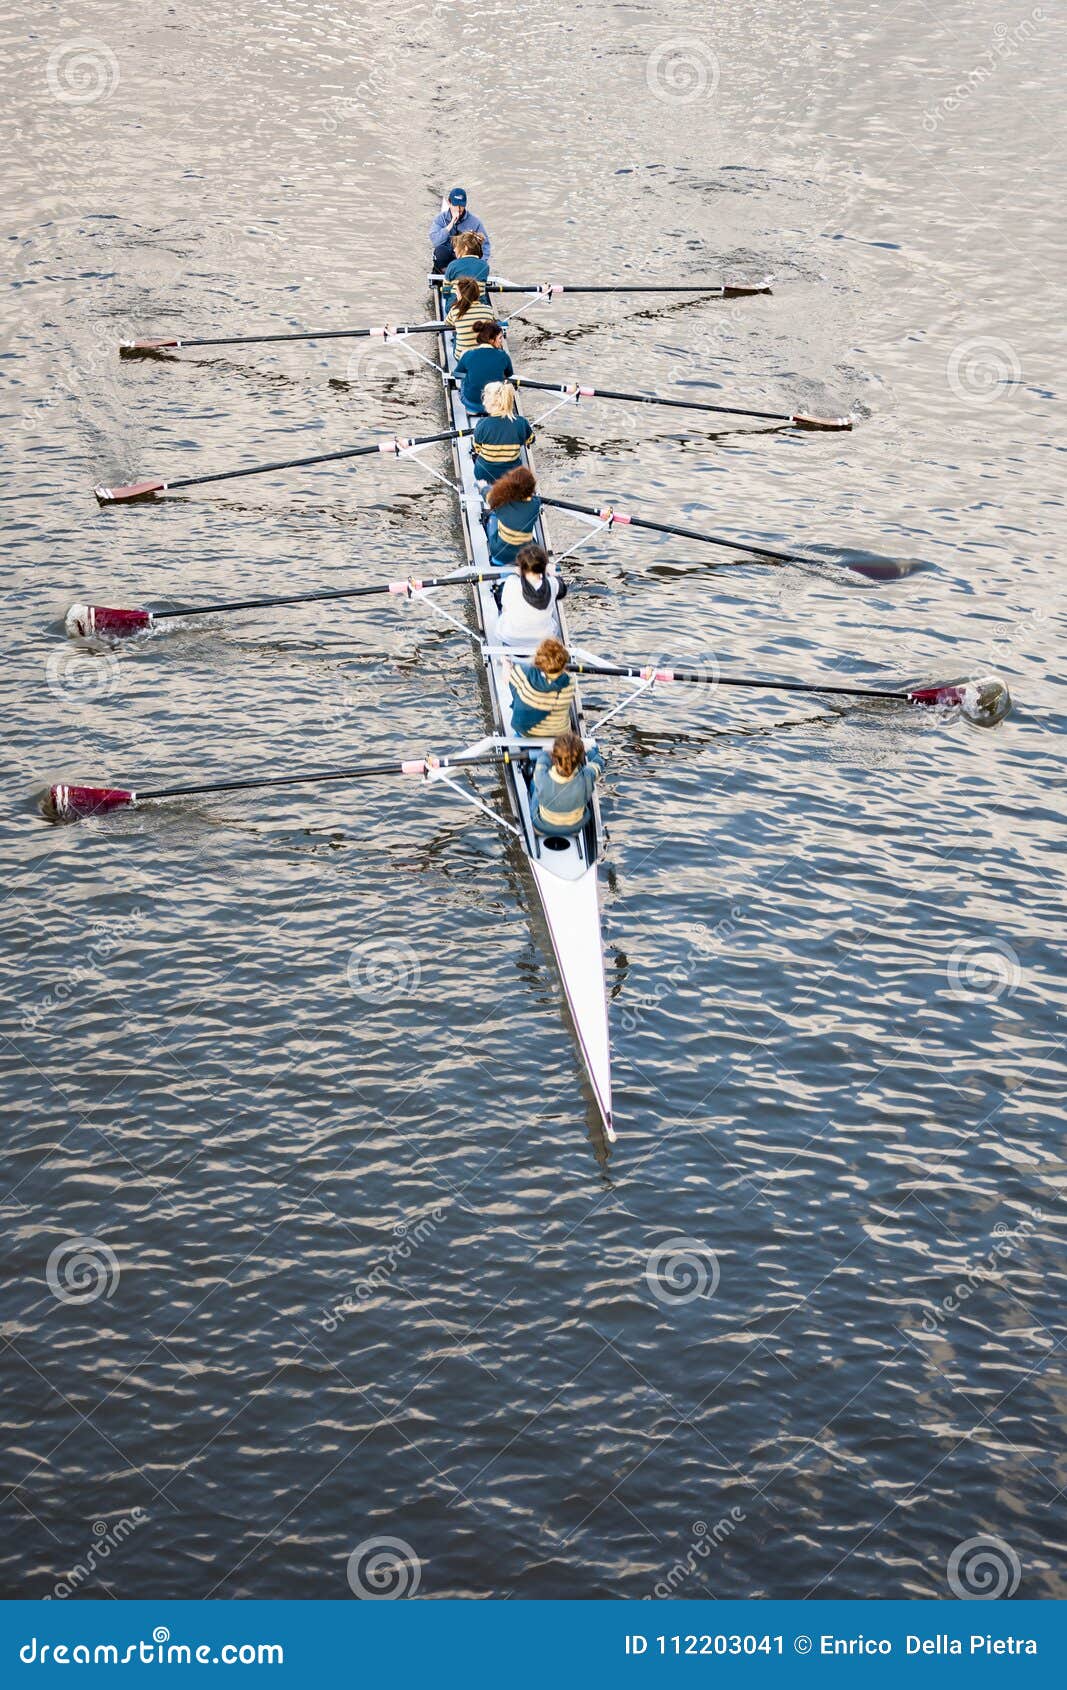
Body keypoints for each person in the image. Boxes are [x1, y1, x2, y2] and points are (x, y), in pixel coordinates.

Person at [530, 732, 604, 838]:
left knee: (534, 783)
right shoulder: (588, 775)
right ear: (579, 760)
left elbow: (542, 759)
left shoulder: (541, 775)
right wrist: (591, 751)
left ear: (554, 757)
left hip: (541, 827)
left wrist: (548, 751)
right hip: (575, 829)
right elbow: (599, 763)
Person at [495, 544, 566, 648]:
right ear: (544, 567)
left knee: (502, 603)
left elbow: (505, 608)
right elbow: (563, 590)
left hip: (511, 637)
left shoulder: (512, 582)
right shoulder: (552, 584)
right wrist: (552, 573)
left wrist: (517, 574)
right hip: (543, 639)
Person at [508, 637, 576, 739]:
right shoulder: (569, 682)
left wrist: (507, 665)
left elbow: (514, 692)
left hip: (527, 733)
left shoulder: (521, 671)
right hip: (559, 734)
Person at [473, 382, 535, 484]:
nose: (483, 403)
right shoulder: (521, 422)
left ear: (493, 403)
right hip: (511, 477)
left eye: (485, 400)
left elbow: (477, 448)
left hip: (484, 475)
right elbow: (530, 440)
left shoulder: (482, 424)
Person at [453, 321, 513, 416]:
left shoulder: (468, 354)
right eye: (500, 338)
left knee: (465, 377)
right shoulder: (503, 356)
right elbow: (509, 374)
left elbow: (457, 375)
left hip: (472, 404)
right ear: (491, 339)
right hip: (496, 403)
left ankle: (471, 408)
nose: (502, 341)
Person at [486, 465, 542, 565]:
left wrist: (483, 487)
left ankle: (496, 563)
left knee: (493, 516)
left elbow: (487, 495)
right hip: (525, 555)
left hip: (500, 554)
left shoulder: (501, 502)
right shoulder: (536, 503)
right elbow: (532, 499)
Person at [429, 188, 492, 271]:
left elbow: (485, 246)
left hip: (465, 259)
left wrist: (479, 265)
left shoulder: (476, 222)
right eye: (456, 205)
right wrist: (451, 224)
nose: (459, 209)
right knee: (440, 252)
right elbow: (435, 241)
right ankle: (445, 276)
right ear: (450, 203)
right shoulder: (440, 219)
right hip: (446, 259)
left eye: (461, 206)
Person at [445, 277, 497, 356]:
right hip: (486, 354)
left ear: (460, 295)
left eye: (457, 293)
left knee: (457, 332)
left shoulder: (455, 311)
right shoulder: (488, 309)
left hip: (463, 356)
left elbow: (447, 324)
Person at [443, 232, 490, 308]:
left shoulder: (453, 265)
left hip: (455, 306)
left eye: (456, 247)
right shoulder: (485, 265)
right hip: (479, 306)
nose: (454, 250)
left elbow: (445, 291)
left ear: (465, 248)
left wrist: (448, 298)